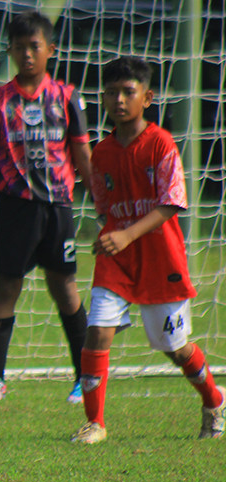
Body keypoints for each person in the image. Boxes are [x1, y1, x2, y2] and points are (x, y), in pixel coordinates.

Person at [70, 56, 224, 443]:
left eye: (128, 92)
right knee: (96, 332)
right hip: (118, 262)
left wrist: (125, 234)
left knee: (175, 348)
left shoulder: (161, 144)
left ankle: (215, 400)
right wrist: (110, 236)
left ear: (147, 97)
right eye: (111, 93)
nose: (119, 100)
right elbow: (106, 206)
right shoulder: (102, 153)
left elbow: (171, 202)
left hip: (160, 259)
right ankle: (94, 423)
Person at [0, 10, 92, 403]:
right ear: (9, 50)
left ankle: (84, 377)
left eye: (34, 47)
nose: (27, 54)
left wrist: (103, 205)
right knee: (6, 288)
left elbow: (82, 154)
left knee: (65, 287)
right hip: (14, 208)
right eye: (19, 47)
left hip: (57, 207)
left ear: (50, 50)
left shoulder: (67, 97)